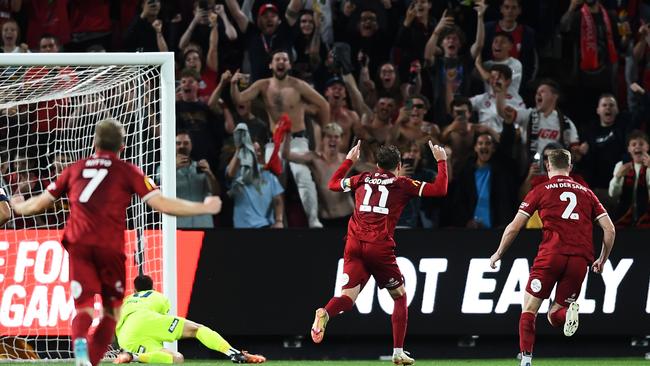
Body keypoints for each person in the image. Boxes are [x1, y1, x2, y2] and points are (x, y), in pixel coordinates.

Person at [9, 118, 222, 366]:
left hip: (78, 244)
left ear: (95, 142)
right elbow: (161, 203)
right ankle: (91, 357)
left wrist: (18, 205)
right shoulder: (127, 171)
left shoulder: (74, 169)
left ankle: (81, 350)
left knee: (84, 306)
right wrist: (201, 207)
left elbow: (38, 204)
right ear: (121, 145)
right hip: (108, 246)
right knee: (111, 312)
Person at [310, 140, 448, 365]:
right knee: (400, 296)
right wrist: (441, 161)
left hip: (353, 244)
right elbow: (440, 189)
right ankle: (398, 351)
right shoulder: (402, 183)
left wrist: (349, 161)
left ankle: (325, 312)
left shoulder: (362, 178)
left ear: (376, 165)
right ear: (399, 165)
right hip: (378, 247)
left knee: (347, 297)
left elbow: (333, 184)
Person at [488, 148, 615, 366]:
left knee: (529, 309)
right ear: (570, 168)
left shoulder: (541, 189)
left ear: (548, 166)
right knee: (555, 314)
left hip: (551, 255)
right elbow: (610, 229)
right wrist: (602, 259)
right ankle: (568, 314)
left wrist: (498, 253)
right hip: (580, 259)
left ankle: (526, 360)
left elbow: (514, 227)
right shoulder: (586, 192)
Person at [231, 50, 329, 228]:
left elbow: (323, 104)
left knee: (303, 177)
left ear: (289, 65)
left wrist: (324, 133)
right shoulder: (263, 85)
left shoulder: (298, 85)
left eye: (285, 59)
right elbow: (239, 98)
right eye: (277, 59)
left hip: (297, 141)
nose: (281, 62)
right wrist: (232, 84)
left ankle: (314, 221)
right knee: (272, 182)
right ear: (271, 65)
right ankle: (277, 222)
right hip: (274, 141)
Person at [113, 275, 265, 364]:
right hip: (145, 320)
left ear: (134, 290)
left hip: (126, 338)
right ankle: (234, 353)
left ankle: (133, 356)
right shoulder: (158, 297)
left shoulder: (126, 300)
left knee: (176, 358)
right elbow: (158, 324)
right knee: (196, 329)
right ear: (153, 288)